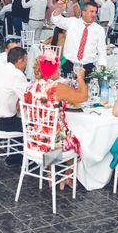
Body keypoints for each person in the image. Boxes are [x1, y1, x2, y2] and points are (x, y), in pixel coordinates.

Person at [22, 50, 87, 189]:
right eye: (58, 68)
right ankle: (66, 177)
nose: (60, 70)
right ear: (53, 71)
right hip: (51, 143)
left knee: (56, 134)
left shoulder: (29, 87)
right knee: (76, 142)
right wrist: (80, 77)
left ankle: (50, 173)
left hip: (33, 140)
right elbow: (83, 97)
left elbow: (23, 107)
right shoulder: (57, 88)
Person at [0, 46, 30, 132]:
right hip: (2, 123)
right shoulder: (17, 74)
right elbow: (28, 97)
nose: (26, 64)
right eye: (26, 61)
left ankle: (2, 143)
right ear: (20, 61)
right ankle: (19, 145)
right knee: (32, 125)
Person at [51, 0, 107, 76]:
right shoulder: (72, 22)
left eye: (95, 12)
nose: (94, 14)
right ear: (83, 12)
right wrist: (59, 8)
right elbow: (56, 20)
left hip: (88, 67)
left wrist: (102, 72)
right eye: (91, 11)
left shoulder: (99, 30)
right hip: (69, 65)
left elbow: (102, 51)